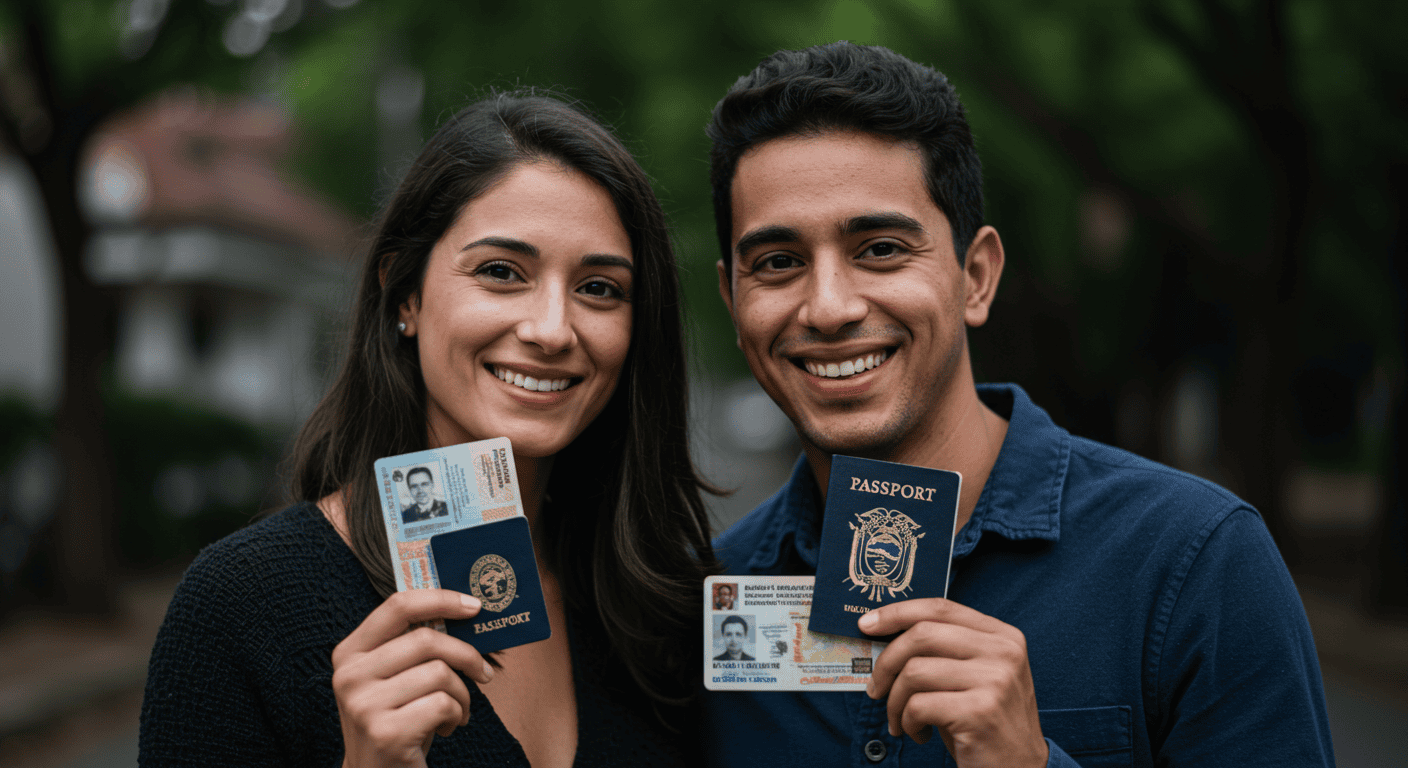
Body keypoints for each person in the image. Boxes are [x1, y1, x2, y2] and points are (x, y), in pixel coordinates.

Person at [701, 42, 1334, 768]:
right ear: (733, 299)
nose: (830, 307)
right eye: (778, 263)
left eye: (879, 249)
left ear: (976, 277)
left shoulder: (1196, 563)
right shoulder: (697, 600)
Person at [140, 91, 718, 768]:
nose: (552, 329)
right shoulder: (242, 606)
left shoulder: (659, 607)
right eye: (502, 272)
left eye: (599, 288)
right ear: (404, 294)